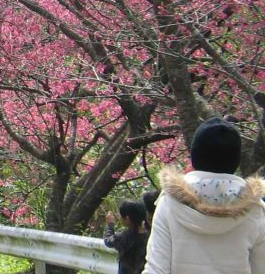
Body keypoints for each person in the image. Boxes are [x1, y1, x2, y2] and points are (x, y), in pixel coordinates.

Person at [143, 117, 265, 274]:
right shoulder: (255, 209)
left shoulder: (169, 202)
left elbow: (156, 269)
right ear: (235, 159)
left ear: (195, 155)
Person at [104, 200, 149, 274]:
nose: (119, 217)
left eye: (121, 215)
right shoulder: (150, 236)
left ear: (127, 219)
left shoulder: (124, 237)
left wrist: (110, 225)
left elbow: (108, 240)